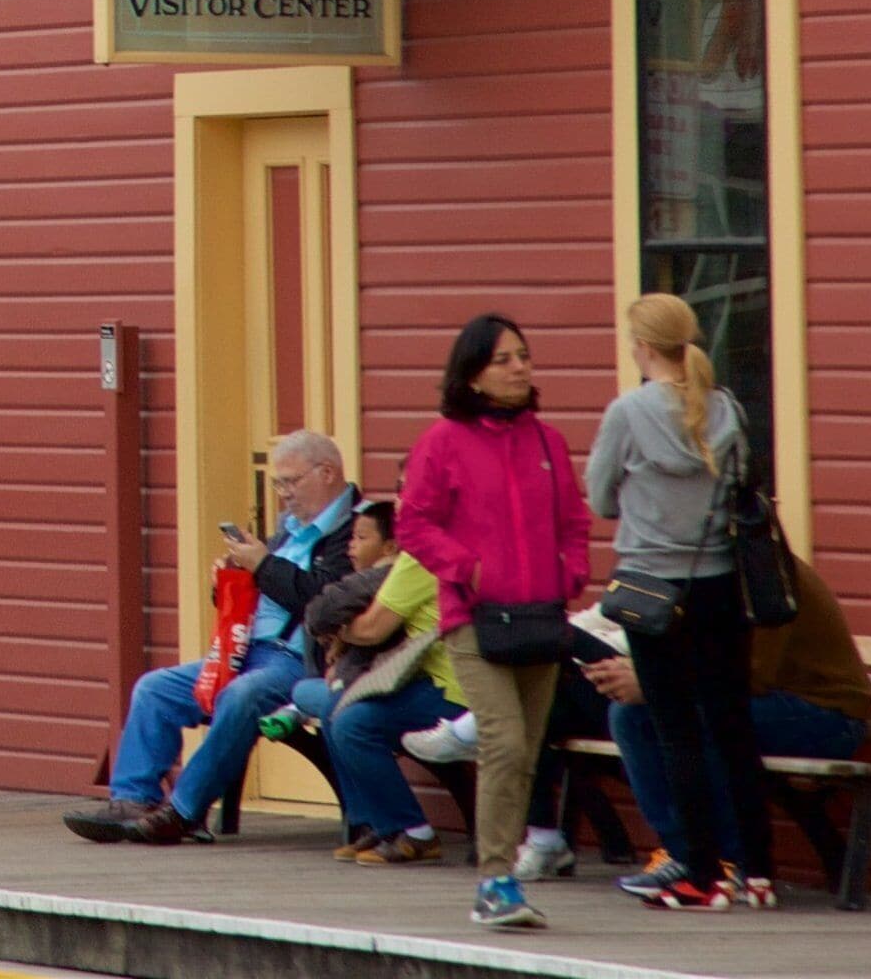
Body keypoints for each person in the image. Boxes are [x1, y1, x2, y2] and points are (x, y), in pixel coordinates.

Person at [62, 429, 358, 846]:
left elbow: (323, 601)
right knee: (155, 688)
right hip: (247, 652)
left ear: (327, 472)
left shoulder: (355, 531)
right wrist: (231, 581)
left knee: (241, 695)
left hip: (302, 662)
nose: (284, 494)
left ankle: (184, 811)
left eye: (291, 481)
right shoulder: (290, 529)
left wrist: (262, 566)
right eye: (278, 484)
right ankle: (132, 801)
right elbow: (268, 592)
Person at [395, 313, 591, 931]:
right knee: (503, 741)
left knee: (526, 750)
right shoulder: (443, 441)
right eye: (503, 359)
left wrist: (572, 571)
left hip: (541, 617)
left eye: (523, 356)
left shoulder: (547, 442)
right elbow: (413, 523)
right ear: (473, 374)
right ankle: (495, 881)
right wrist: (467, 568)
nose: (519, 368)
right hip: (474, 618)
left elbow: (573, 521)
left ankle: (505, 876)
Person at [585, 291, 776, 911]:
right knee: (731, 728)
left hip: (653, 590)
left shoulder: (628, 412)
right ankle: (757, 873)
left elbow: (600, 500)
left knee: (676, 732)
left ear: (641, 345)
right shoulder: (727, 409)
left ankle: (700, 872)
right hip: (721, 586)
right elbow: (743, 489)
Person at [586, 549, 869, 902]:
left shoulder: (765, 574)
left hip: (825, 714)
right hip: (757, 702)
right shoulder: (694, 572)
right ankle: (682, 852)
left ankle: (730, 861)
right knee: (628, 716)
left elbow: (752, 674)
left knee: (710, 722)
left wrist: (654, 684)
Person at [290, 501, 466, 864]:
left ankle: (410, 830)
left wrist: (339, 633)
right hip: (443, 679)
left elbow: (371, 629)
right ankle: (380, 825)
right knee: (339, 708)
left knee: (349, 719)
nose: (402, 502)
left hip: (453, 686)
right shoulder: (449, 545)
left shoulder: (422, 555)